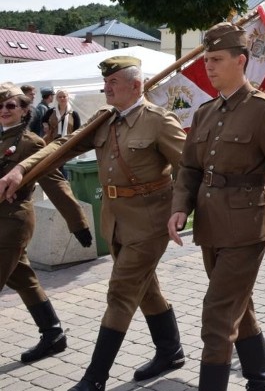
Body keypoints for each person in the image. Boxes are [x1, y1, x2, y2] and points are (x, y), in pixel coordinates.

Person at [0, 58, 187, 390]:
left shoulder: (158, 121)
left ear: (136, 85)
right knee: (146, 289)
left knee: (120, 292)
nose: (107, 87)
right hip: (116, 221)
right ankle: (170, 350)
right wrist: (21, 169)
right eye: (106, 82)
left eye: (114, 81)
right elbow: (62, 146)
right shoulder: (104, 120)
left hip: (151, 221)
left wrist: (182, 210)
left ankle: (94, 379)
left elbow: (188, 168)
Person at [168, 23, 265, 390]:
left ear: (241, 61)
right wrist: (180, 206)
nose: (208, 66)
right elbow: (189, 166)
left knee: (218, 315)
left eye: (217, 59)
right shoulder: (205, 113)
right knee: (240, 307)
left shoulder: (262, 111)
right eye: (206, 59)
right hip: (210, 227)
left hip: (246, 228)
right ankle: (260, 379)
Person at [0, 83, 92, 364]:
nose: (4, 110)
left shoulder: (31, 143)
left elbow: (55, 184)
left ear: (25, 110)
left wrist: (78, 223)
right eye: (0, 106)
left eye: (11, 106)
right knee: (24, 280)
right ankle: (53, 335)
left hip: (11, 224)